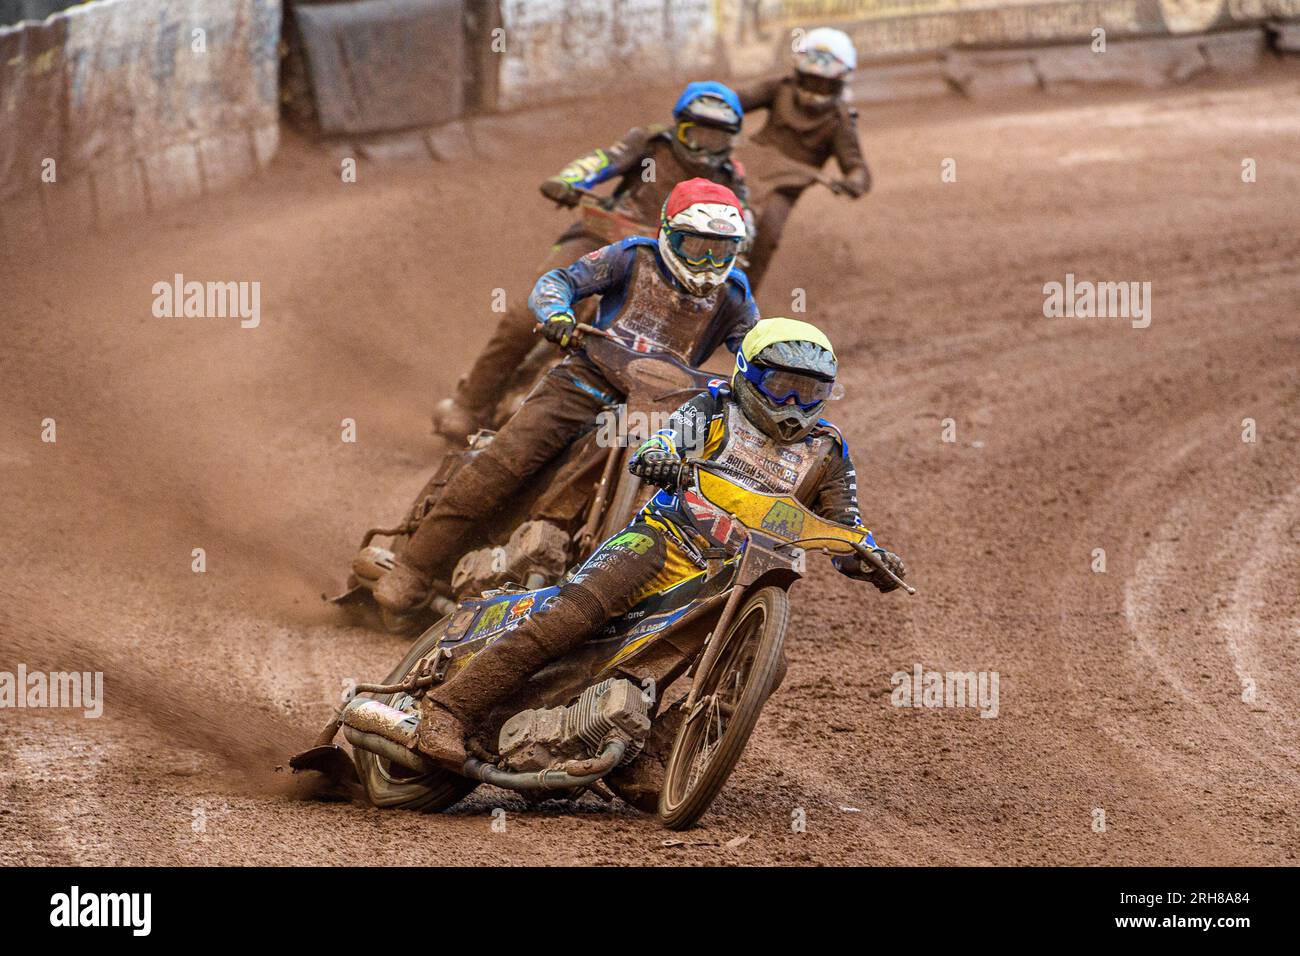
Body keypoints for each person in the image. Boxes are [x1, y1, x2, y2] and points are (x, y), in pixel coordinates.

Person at [412, 318, 907, 769]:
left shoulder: (827, 449)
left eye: (810, 391)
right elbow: (669, 440)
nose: (793, 404)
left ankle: (652, 759)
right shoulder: (714, 406)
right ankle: (449, 708)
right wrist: (659, 456)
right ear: (749, 375)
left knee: (763, 661)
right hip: (661, 541)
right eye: (781, 386)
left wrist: (870, 559)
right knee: (575, 613)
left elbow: (846, 525)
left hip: (733, 577)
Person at [375, 178, 759, 616]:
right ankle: (415, 566)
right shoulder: (632, 256)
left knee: (693, 483)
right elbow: (559, 279)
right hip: (584, 379)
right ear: (669, 235)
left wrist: (768, 380)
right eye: (697, 247)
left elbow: (755, 346)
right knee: (507, 460)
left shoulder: (735, 295)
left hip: (658, 407)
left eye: (721, 250)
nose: (709, 261)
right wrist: (556, 313)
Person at [433, 81, 752, 440]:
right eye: (697, 134)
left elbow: (745, 220)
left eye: (716, 138)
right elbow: (603, 160)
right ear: (678, 127)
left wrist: (739, 248)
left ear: (732, 140)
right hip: (603, 238)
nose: (705, 148)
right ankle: (469, 403)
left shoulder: (730, 176)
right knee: (524, 317)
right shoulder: (649, 143)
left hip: (667, 264)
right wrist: (569, 179)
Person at [734, 28, 871, 292]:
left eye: (824, 83)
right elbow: (736, 100)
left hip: (782, 190)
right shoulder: (778, 89)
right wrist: (712, 105)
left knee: (768, 232)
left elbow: (857, 166)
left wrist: (853, 181)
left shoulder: (839, 120)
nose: (814, 90)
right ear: (797, 73)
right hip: (743, 170)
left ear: (841, 81)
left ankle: (740, 303)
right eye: (809, 80)